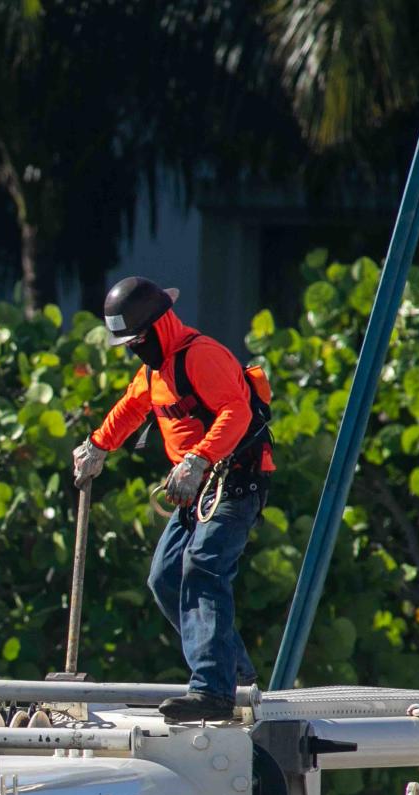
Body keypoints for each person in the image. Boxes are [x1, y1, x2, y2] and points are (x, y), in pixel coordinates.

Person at [72, 276, 274, 722]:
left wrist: (199, 459)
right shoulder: (154, 371)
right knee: (165, 578)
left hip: (232, 483)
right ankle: (235, 671)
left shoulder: (201, 357)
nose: (132, 349)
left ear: (157, 327)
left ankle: (212, 690)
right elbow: (130, 407)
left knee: (202, 566)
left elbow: (236, 413)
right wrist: (98, 446)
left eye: (136, 339)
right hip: (195, 490)